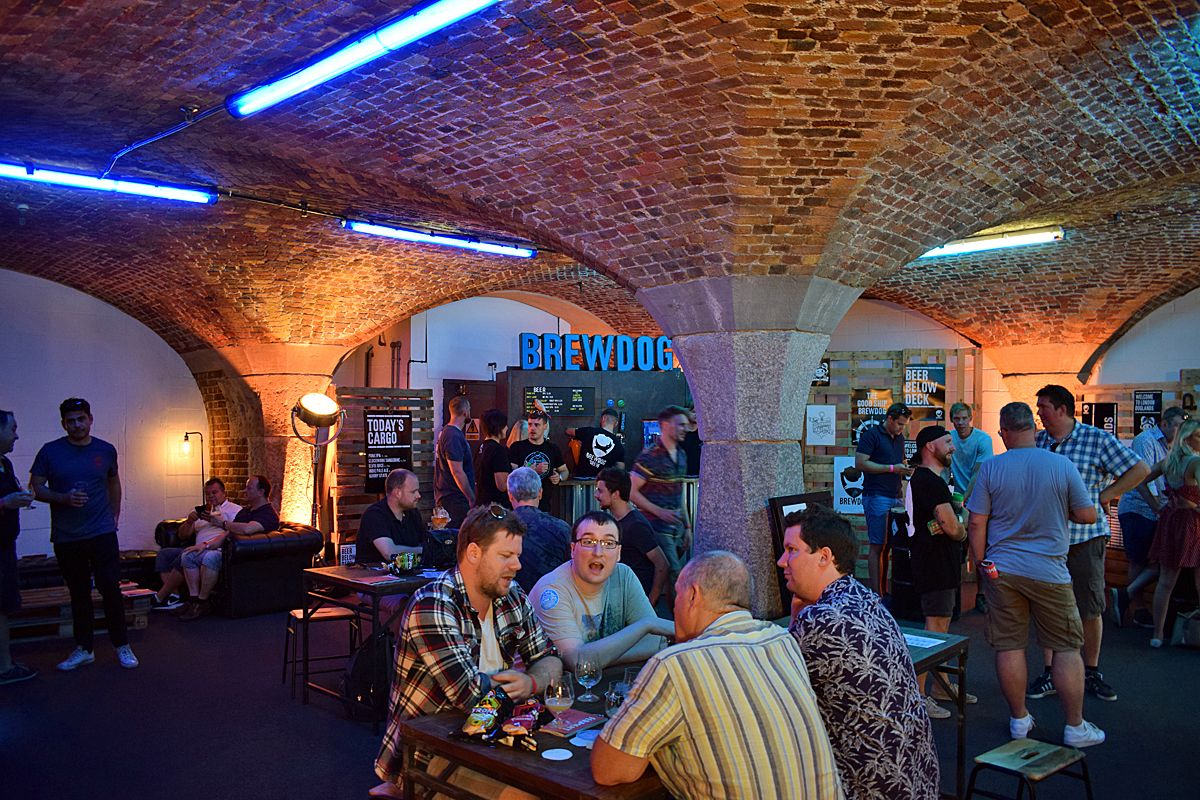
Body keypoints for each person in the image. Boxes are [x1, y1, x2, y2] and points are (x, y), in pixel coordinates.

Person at [593, 551, 843, 800]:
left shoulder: (676, 663)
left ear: (693, 595)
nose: (674, 607)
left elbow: (609, 771)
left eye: (677, 594)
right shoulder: (781, 641)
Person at [373, 504, 563, 799]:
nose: (517, 565)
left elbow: (551, 659)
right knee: (533, 793)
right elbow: (472, 695)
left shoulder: (512, 596)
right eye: (506, 556)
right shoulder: (433, 604)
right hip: (428, 754)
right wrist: (526, 684)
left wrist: (531, 681)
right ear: (474, 553)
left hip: (492, 737)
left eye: (517, 556)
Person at [967, 401, 1105, 747]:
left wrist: (982, 564)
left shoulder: (991, 467)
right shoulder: (1061, 464)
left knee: (1009, 646)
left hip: (1002, 569)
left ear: (1004, 431)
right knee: (1067, 647)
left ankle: (1018, 720)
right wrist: (1060, 510)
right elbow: (1088, 515)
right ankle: (1075, 727)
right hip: (1050, 570)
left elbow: (976, 522)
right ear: (1034, 427)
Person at [780, 505, 939, 800]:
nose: (781, 561)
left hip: (866, 790)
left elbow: (772, 694)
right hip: (919, 781)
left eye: (791, 550)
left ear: (824, 557)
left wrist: (795, 621)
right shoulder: (866, 598)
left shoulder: (821, 621)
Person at [1031, 384, 1149, 703]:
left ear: (1062, 410)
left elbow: (1140, 468)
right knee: (1048, 607)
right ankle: (1050, 671)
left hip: (1085, 538)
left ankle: (1091, 670)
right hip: (1046, 540)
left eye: (1043, 407)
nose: (1039, 412)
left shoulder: (1097, 439)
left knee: (1089, 606)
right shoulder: (1038, 441)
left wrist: (1104, 496)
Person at [29, 398, 137, 670]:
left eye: (81, 419)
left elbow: (113, 482)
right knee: (79, 593)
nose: (76, 424)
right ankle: (84, 648)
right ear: (63, 424)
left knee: (110, 588)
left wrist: (114, 515)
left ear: (90, 419)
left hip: (102, 533)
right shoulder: (50, 451)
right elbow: (35, 488)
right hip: (67, 536)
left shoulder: (106, 449)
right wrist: (63, 498)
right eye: (71, 421)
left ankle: (122, 645)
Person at [531, 510, 672, 671]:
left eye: (609, 543)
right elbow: (578, 662)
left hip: (607, 682)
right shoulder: (551, 590)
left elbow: (655, 640)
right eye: (588, 541)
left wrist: (600, 658)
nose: (598, 552)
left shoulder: (623, 575)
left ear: (618, 553)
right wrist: (646, 625)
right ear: (573, 550)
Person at [907, 425, 973, 720]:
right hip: (933, 564)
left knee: (941, 629)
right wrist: (961, 530)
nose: (953, 447)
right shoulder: (928, 480)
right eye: (947, 441)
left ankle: (941, 687)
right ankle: (918, 697)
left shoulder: (933, 480)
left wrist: (957, 524)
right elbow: (951, 525)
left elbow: (951, 520)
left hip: (939, 563)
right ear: (930, 446)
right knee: (934, 629)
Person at [1115, 406, 1186, 627]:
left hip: (1162, 511)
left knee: (1166, 560)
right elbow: (1144, 478)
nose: (1180, 431)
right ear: (1164, 424)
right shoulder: (1146, 440)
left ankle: (1126, 596)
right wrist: (1157, 507)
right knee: (1139, 559)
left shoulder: (1175, 446)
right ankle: (1138, 609)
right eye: (1178, 426)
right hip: (1139, 509)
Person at [176, 474, 280, 621]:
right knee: (189, 556)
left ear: (261, 492)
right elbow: (227, 534)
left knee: (211, 557)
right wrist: (205, 545)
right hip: (228, 552)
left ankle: (202, 602)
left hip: (245, 558)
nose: (244, 491)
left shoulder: (268, 514)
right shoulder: (245, 512)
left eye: (249, 488)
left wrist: (223, 523)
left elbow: (247, 529)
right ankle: (193, 600)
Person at [1144, 419, 1200, 647]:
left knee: (1166, 581)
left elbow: (1138, 479)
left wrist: (1155, 505)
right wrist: (1194, 506)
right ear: (1188, 439)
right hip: (1193, 523)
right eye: (1199, 436)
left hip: (1170, 520)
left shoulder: (1169, 462)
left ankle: (1157, 635)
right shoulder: (1195, 462)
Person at [630, 405, 691, 604]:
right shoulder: (650, 456)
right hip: (655, 527)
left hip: (675, 528)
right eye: (680, 424)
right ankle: (679, 621)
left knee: (665, 574)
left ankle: (651, 610)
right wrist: (660, 512)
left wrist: (687, 527)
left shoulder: (681, 454)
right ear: (665, 426)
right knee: (674, 573)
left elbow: (679, 494)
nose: (686, 428)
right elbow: (631, 491)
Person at [151, 478, 241, 611]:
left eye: (214, 492)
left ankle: (161, 595)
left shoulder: (235, 510)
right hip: (197, 546)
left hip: (214, 547)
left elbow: (235, 531)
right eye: (208, 493)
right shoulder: (200, 511)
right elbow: (183, 535)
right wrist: (189, 521)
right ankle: (175, 596)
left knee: (187, 553)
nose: (211, 496)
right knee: (164, 554)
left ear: (223, 493)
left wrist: (221, 522)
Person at [855, 402, 913, 595]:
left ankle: (884, 591)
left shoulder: (900, 437)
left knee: (889, 545)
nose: (902, 428)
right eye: (900, 424)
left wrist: (906, 468)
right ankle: (876, 594)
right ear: (889, 419)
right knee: (877, 545)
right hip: (876, 495)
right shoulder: (871, 435)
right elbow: (860, 463)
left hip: (896, 495)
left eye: (904, 425)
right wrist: (892, 468)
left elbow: (900, 461)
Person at [595, 467, 668, 605]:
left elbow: (662, 564)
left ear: (615, 494)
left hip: (635, 601)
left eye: (600, 491)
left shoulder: (635, 525)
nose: (596, 495)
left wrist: (650, 602)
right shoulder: (618, 520)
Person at [0, 410, 37, 684]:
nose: (17, 436)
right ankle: (4, 668)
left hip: (5, 546)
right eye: (12, 429)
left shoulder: (5, 463)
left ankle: (5, 663)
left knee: (4, 605)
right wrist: (5, 503)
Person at [506, 466, 570, 592]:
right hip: (552, 597)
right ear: (540, 493)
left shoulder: (497, 529)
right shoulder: (562, 528)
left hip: (509, 600)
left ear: (510, 495)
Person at [508, 410, 567, 512]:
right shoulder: (517, 447)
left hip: (544, 505)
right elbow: (511, 475)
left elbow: (564, 470)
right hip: (521, 505)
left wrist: (559, 477)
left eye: (537, 425)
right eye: (530, 424)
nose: (532, 428)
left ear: (545, 427)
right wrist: (533, 471)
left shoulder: (552, 449)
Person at [434, 395, 475, 528]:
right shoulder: (453, 436)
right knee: (457, 536)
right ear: (465, 412)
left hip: (449, 497)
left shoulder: (447, 431)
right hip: (455, 499)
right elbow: (457, 471)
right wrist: (471, 497)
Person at [948, 402, 992, 501]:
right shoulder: (949, 438)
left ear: (970, 418)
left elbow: (978, 473)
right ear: (951, 419)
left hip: (981, 497)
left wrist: (963, 499)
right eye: (957, 418)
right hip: (958, 495)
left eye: (964, 418)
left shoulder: (983, 439)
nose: (960, 422)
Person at [566, 409, 625, 479]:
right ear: (616, 424)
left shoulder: (588, 431)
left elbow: (568, 431)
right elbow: (620, 471)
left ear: (603, 419)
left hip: (581, 480)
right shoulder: (619, 446)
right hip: (602, 482)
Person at [473, 408, 511, 508]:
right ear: (499, 427)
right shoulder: (499, 450)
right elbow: (502, 485)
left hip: (480, 504)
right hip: (495, 507)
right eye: (505, 425)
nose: (507, 428)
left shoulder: (481, 447)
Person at [679, 407, 702, 478]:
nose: (696, 414)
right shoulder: (681, 434)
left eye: (699, 411)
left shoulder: (704, 435)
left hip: (701, 476)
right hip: (683, 476)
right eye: (694, 411)